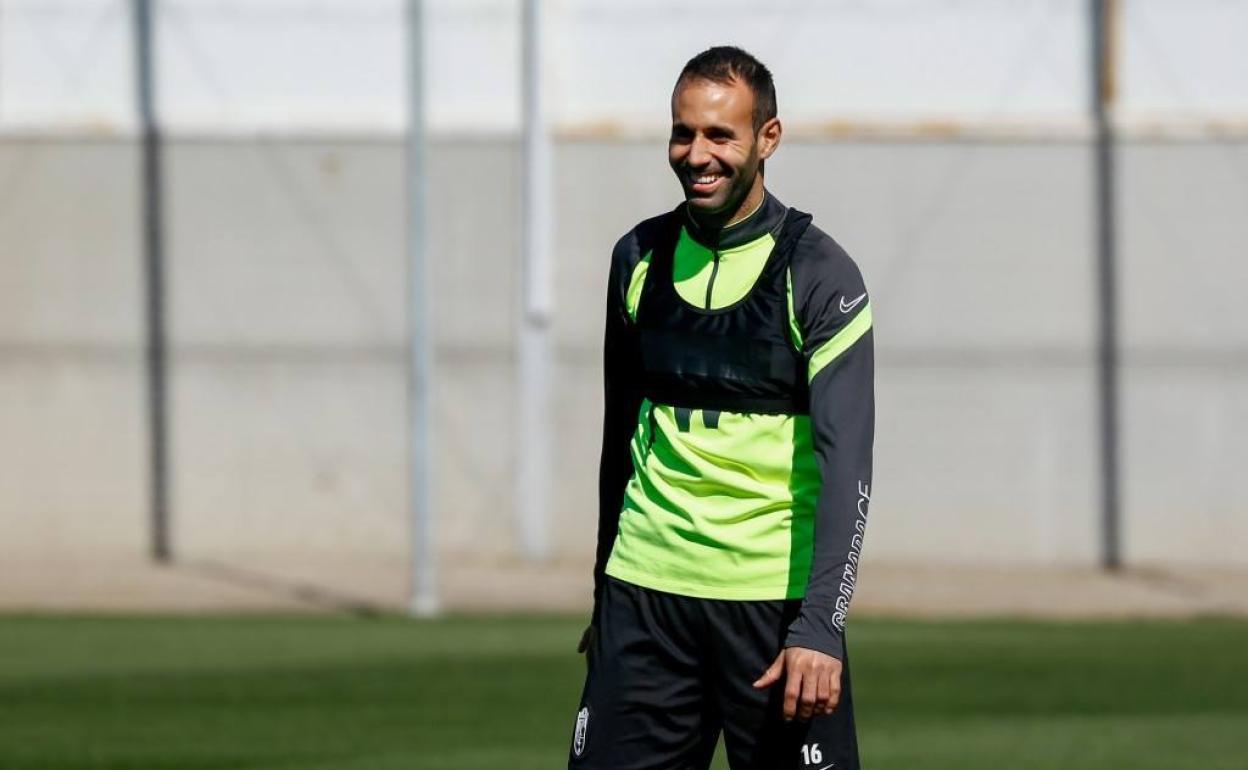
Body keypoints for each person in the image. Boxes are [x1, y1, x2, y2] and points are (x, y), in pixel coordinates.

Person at [570, 45, 874, 770]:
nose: (695, 154)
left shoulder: (821, 274)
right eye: (683, 133)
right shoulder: (637, 257)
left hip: (772, 616)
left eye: (719, 135)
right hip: (643, 599)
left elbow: (848, 468)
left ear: (768, 138)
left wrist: (820, 628)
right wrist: (603, 594)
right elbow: (620, 438)